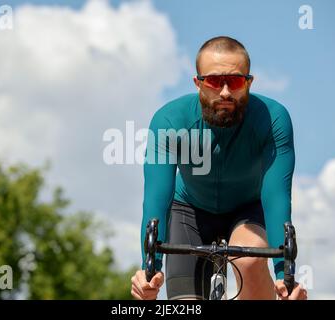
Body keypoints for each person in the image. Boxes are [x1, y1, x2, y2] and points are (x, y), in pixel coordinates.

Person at [130, 36, 307, 300]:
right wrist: (149, 271)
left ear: (249, 82)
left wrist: (285, 277)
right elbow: (156, 199)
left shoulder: (273, 118)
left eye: (235, 81)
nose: (225, 92)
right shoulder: (169, 120)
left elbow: (276, 198)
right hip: (188, 210)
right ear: (198, 83)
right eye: (213, 81)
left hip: (248, 208)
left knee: (248, 260)